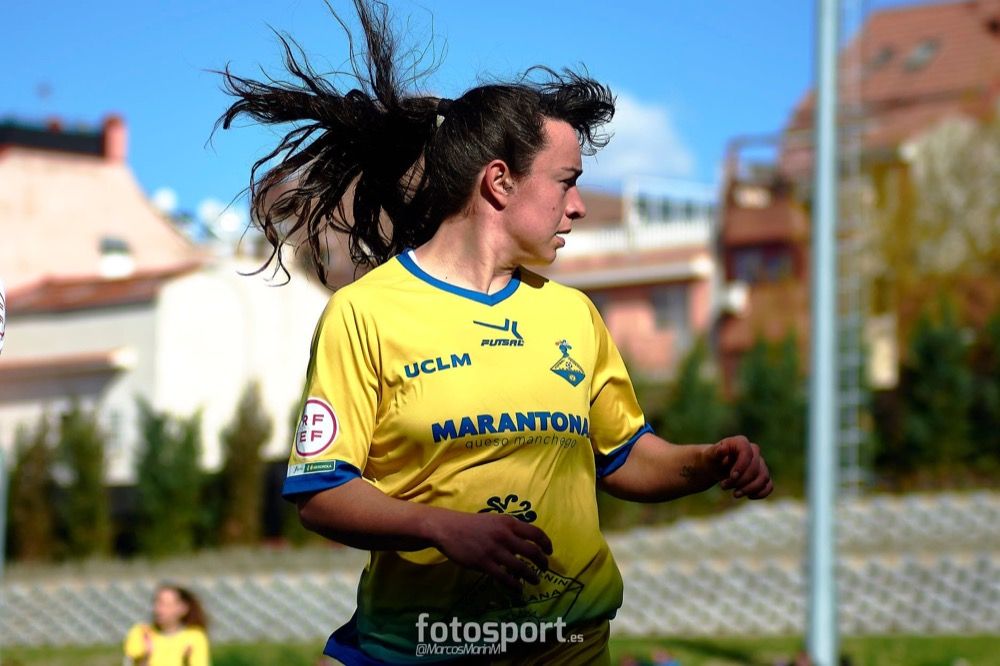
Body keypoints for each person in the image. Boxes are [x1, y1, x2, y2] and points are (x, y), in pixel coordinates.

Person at [219, 2, 773, 663]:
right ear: (500, 182)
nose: (578, 206)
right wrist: (441, 528)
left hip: (567, 644)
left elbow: (624, 457)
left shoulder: (573, 315)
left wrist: (705, 462)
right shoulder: (364, 313)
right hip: (424, 646)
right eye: (566, 182)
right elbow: (322, 493)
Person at [123, 583, 210, 666]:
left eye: (166, 604)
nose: (159, 609)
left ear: (182, 608)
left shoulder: (194, 637)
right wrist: (145, 658)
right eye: (157, 603)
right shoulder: (142, 633)